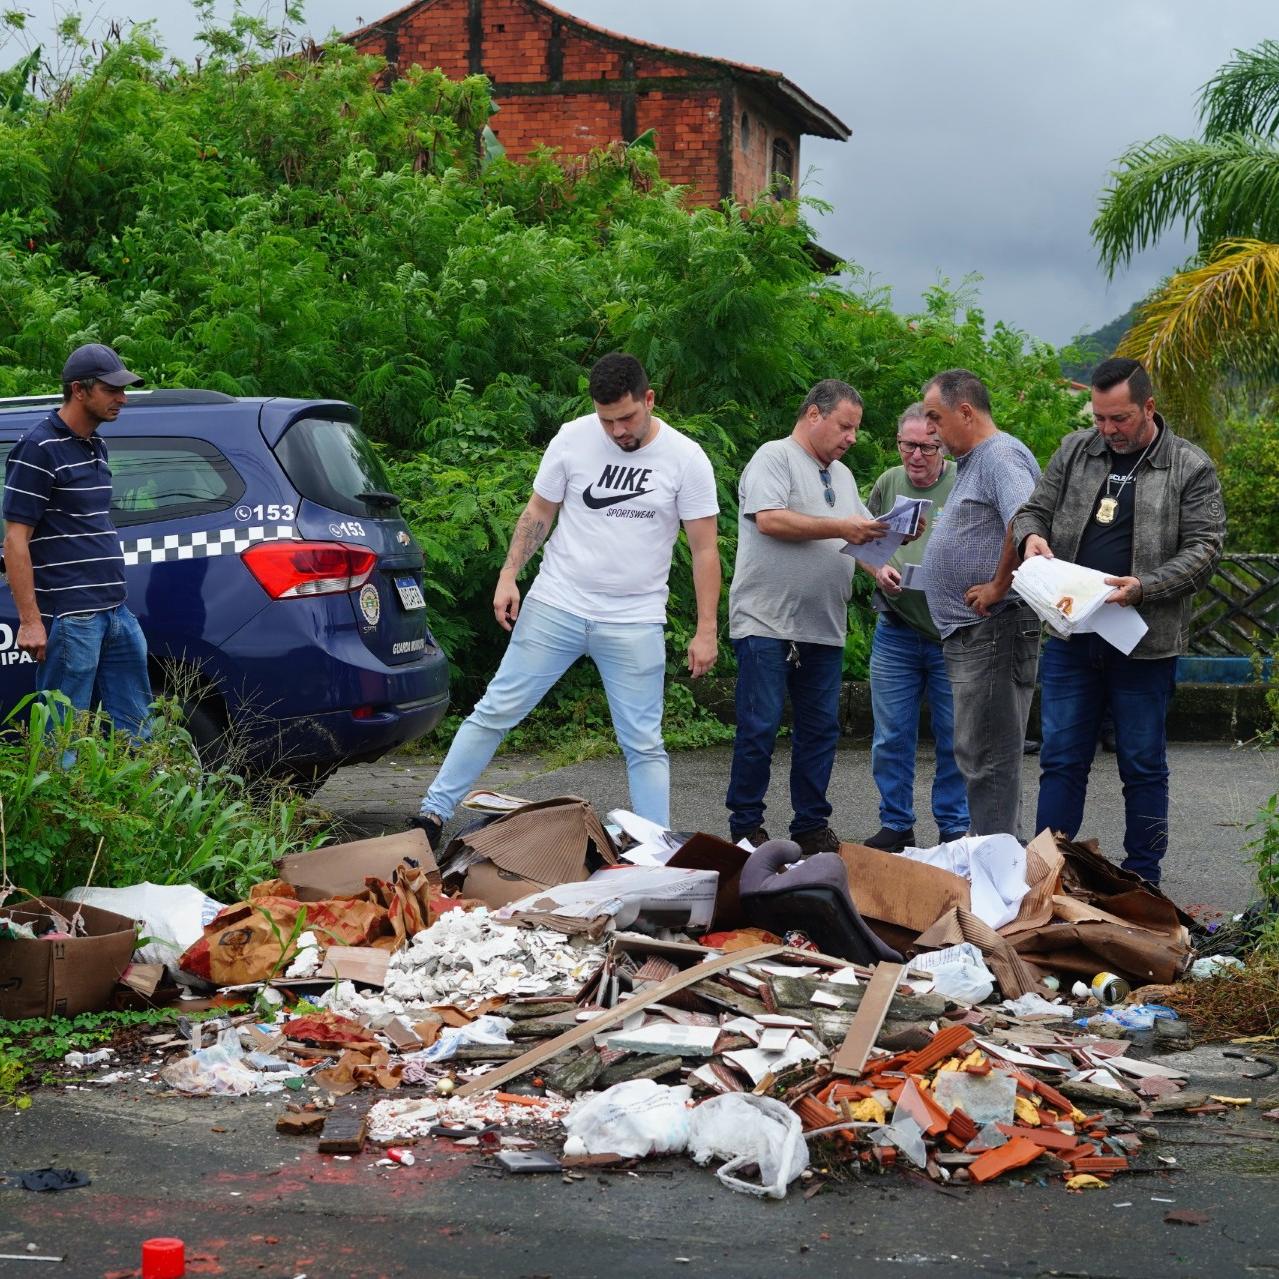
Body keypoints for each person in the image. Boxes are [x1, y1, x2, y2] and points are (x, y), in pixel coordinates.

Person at [413, 353, 720, 846]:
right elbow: (539, 511)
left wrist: (707, 630)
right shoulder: (573, 438)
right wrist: (509, 574)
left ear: (649, 399)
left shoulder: (686, 459)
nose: (617, 431)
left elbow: (704, 550)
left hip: (635, 618)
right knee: (495, 710)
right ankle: (431, 814)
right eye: (607, 420)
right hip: (557, 603)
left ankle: (654, 849)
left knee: (644, 743)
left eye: (627, 418)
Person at [1010, 357, 1225, 884]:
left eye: (1119, 419)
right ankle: (1049, 872)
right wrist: (1030, 537)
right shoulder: (1075, 450)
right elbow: (1033, 510)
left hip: (1144, 642)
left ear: (1148, 407)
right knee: (1061, 759)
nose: (1107, 430)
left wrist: (1145, 587)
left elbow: (1205, 549)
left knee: (1142, 763)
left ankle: (1143, 877)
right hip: (1072, 631)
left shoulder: (1189, 466)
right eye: (1100, 418)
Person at [725, 379, 889, 856]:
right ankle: (746, 827)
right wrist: (842, 526)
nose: (852, 437)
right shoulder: (773, 457)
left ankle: (811, 826)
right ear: (814, 415)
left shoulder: (843, 476)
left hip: (823, 626)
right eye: (845, 426)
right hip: (766, 621)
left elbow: (860, 537)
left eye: (855, 429)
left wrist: (884, 564)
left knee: (820, 731)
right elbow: (770, 519)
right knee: (760, 726)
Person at [2, 343, 152, 738]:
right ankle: (56, 782)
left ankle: (144, 783)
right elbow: (15, 540)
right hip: (73, 616)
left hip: (116, 610)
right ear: (79, 390)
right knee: (61, 736)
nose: (122, 398)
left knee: (138, 727)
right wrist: (30, 622)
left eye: (123, 389)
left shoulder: (95, 444)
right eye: (111, 389)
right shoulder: (37, 448)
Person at [920, 368, 1041, 838]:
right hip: (977, 632)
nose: (931, 429)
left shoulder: (1000, 455)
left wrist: (998, 585)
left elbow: (1024, 516)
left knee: (988, 756)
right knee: (981, 754)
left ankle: (997, 862)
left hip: (994, 626)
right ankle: (995, 850)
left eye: (936, 417)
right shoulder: (976, 461)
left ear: (965, 412)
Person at [861, 403, 969, 851]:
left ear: (943, 445)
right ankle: (896, 823)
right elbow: (864, 542)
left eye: (927, 447)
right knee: (890, 735)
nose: (917, 456)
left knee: (954, 736)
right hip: (897, 626)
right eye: (908, 446)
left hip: (950, 631)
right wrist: (878, 570)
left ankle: (954, 827)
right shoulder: (888, 482)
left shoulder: (964, 480)